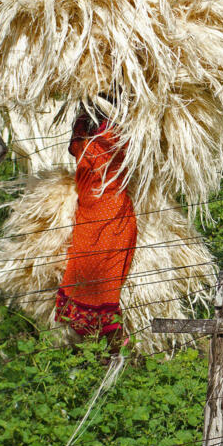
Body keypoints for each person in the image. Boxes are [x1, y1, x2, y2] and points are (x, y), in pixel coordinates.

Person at [55, 101, 138, 350]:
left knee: (104, 285)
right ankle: (99, 354)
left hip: (111, 215)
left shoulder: (100, 126)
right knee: (87, 274)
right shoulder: (116, 125)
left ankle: (110, 352)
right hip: (94, 211)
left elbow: (75, 150)